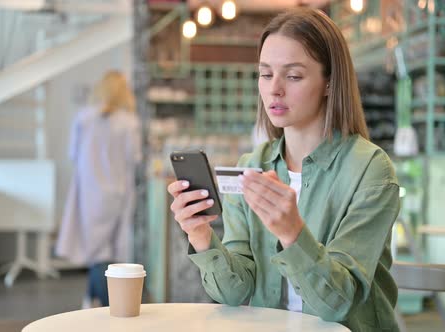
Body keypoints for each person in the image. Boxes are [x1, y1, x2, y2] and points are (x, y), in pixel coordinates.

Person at [167, 8, 400, 331]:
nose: (274, 89)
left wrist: (293, 234)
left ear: (330, 83)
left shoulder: (370, 170)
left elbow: (338, 304)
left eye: (293, 76)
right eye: (265, 74)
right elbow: (236, 293)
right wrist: (201, 236)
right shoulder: (251, 167)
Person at [56, 70, 141, 307]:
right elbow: (134, 158)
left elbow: (73, 154)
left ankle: (93, 300)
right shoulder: (129, 122)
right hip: (117, 194)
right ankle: (105, 306)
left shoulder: (83, 118)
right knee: (108, 253)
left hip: (88, 194)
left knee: (96, 252)